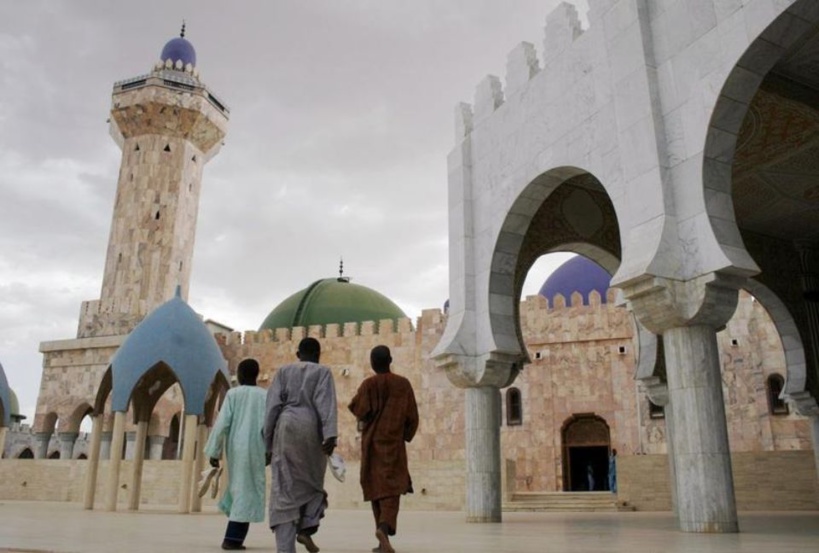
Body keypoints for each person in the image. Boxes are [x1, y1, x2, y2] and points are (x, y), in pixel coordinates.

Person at [264, 337, 338, 553]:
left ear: (298, 354)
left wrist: (267, 444)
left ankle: (285, 548)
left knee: (284, 489)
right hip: (312, 430)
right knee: (313, 485)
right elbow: (326, 404)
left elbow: (272, 408)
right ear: (318, 354)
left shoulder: (284, 371)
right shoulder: (322, 372)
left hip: (286, 428)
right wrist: (330, 435)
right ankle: (306, 526)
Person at [348, 345, 419, 553]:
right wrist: (405, 435)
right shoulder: (403, 384)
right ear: (390, 360)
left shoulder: (368, 385)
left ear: (372, 363)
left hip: (372, 444)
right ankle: (383, 529)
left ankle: (382, 538)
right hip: (394, 444)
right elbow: (412, 416)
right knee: (393, 488)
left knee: (376, 488)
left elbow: (357, 408)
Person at [204, 358, 268, 551]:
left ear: (239, 375)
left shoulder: (233, 394)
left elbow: (222, 423)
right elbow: (270, 426)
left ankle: (234, 538)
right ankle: (232, 539)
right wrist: (270, 451)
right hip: (257, 449)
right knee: (245, 490)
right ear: (256, 374)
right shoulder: (264, 396)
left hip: (236, 448)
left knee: (241, 489)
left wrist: (214, 451)